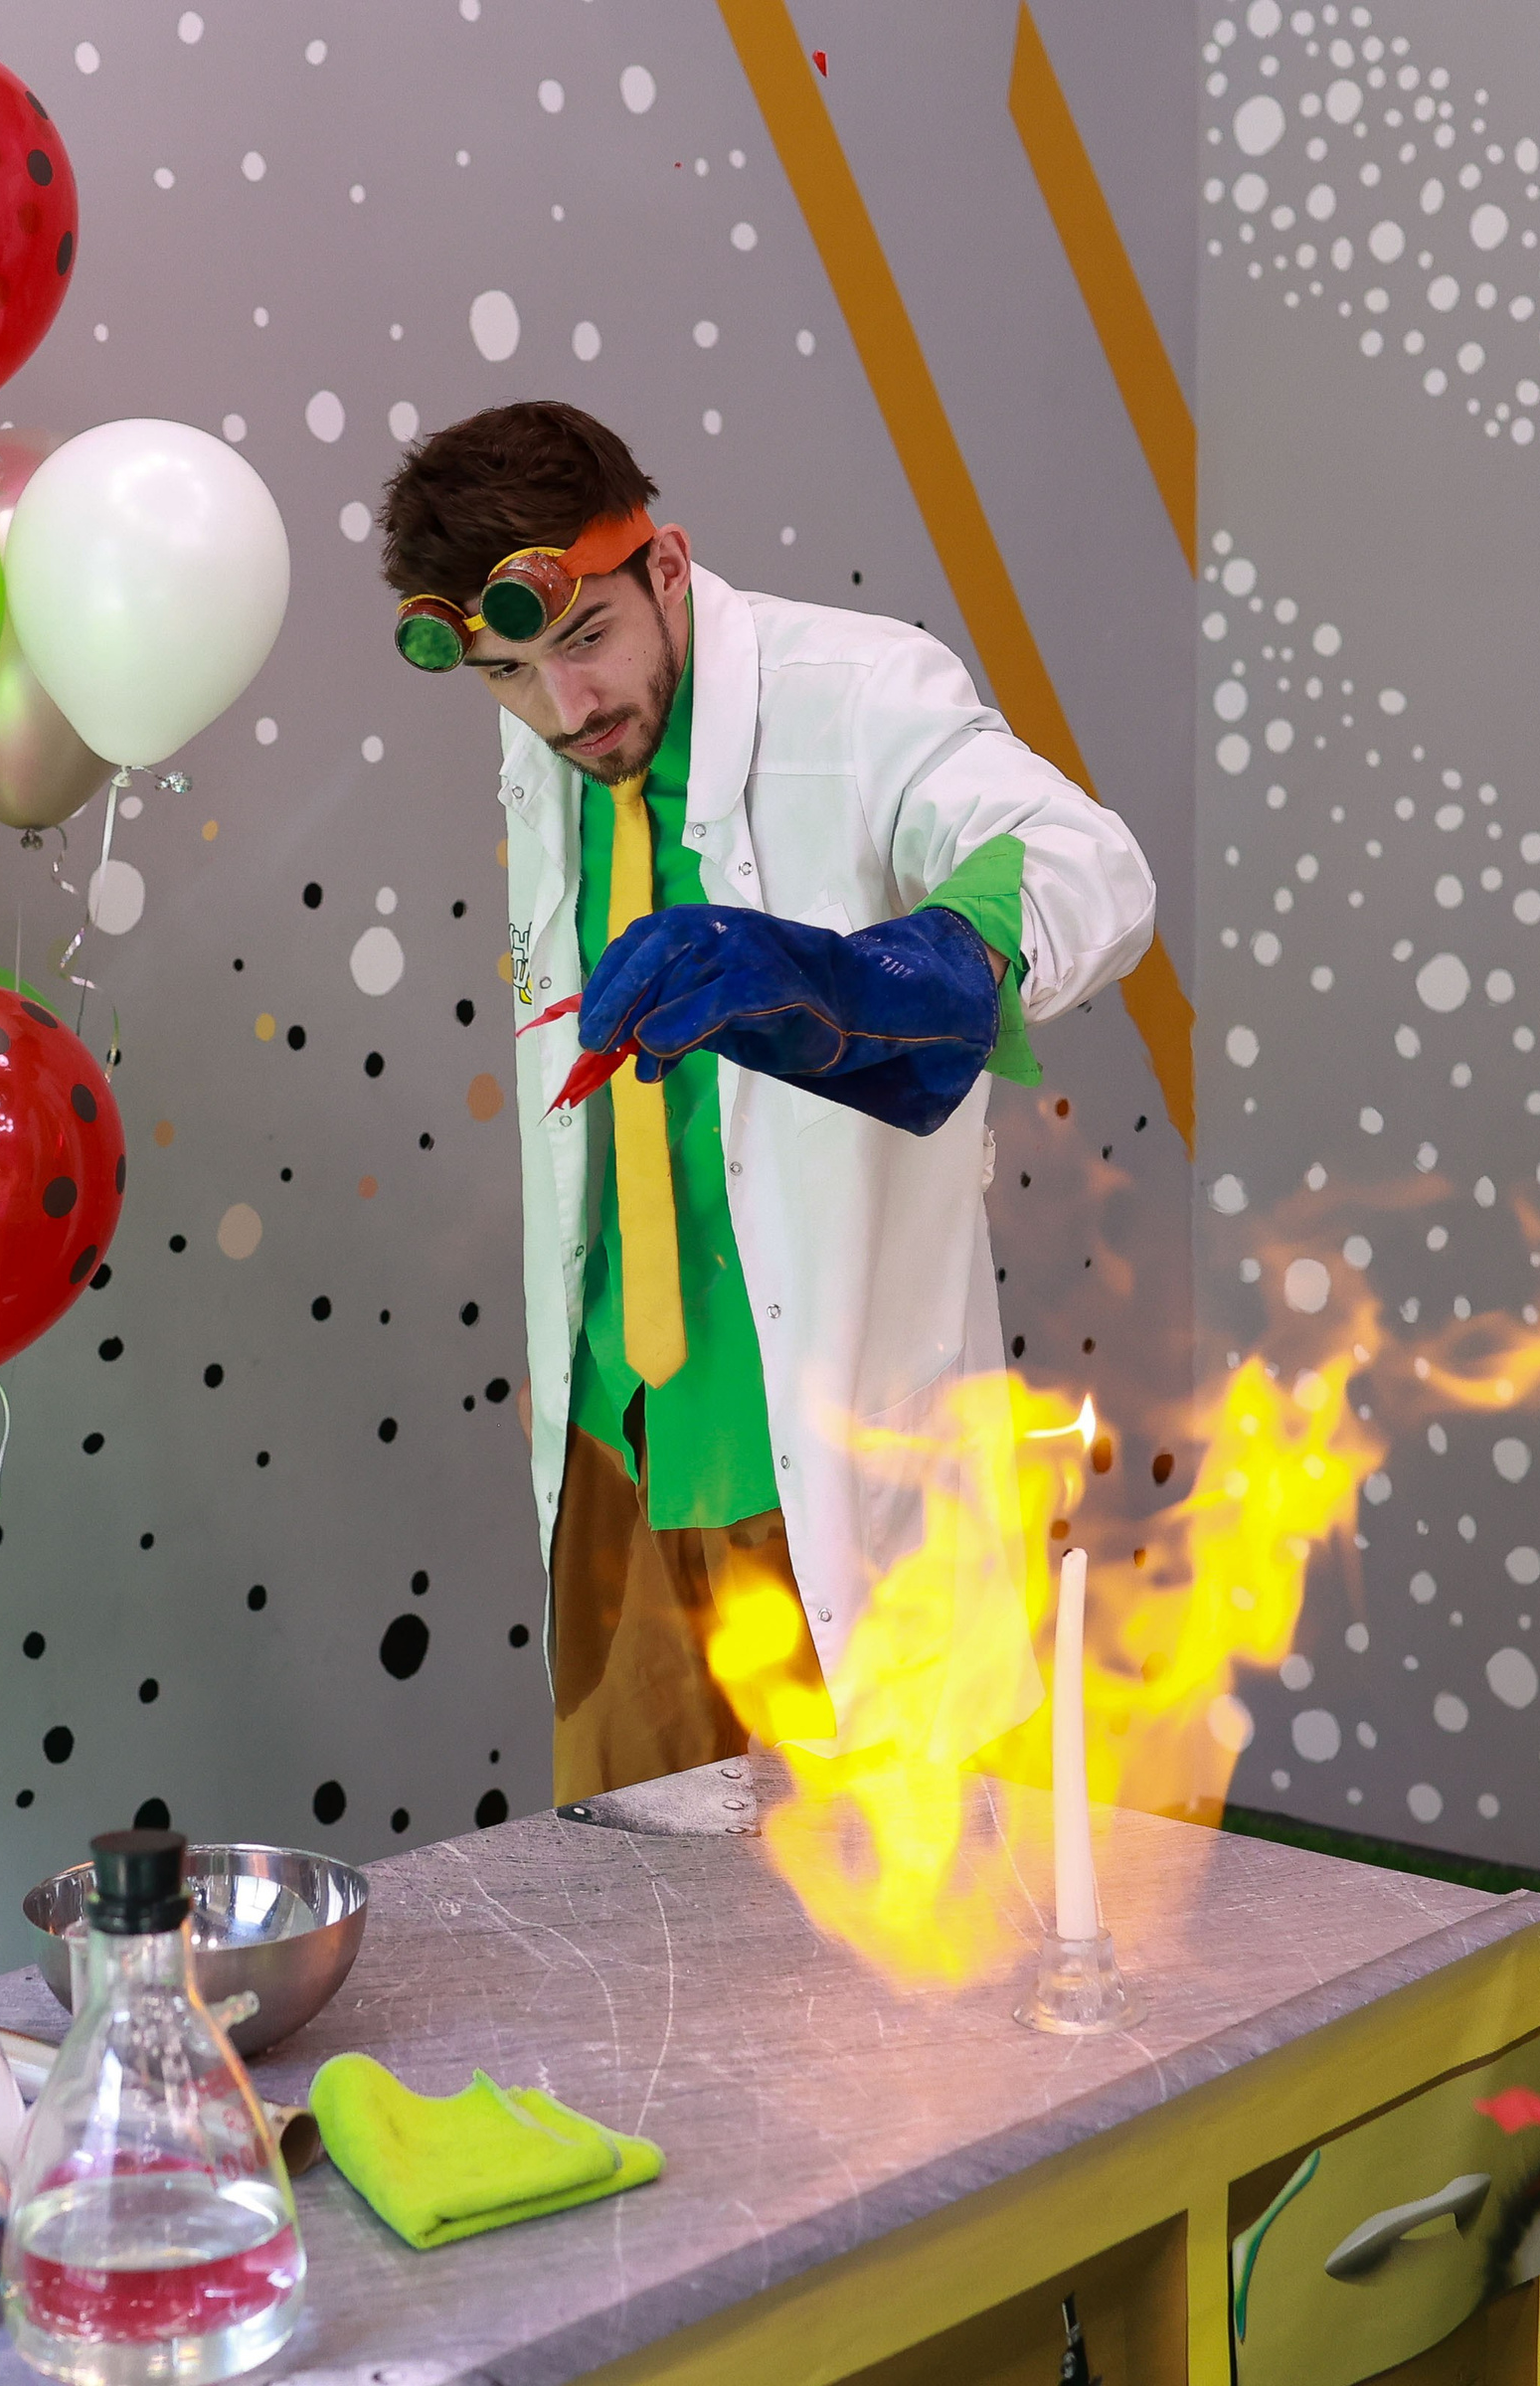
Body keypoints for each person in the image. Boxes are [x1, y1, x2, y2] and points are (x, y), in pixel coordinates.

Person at [380, 402, 1154, 1802]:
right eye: (507, 676)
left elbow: (1085, 865)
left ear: (668, 566)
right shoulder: (555, 741)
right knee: (619, 1900)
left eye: (588, 639)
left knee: (878, 1904)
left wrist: (870, 978)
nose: (567, 711)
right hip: (618, 1445)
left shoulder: (860, 693)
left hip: (824, 1446)